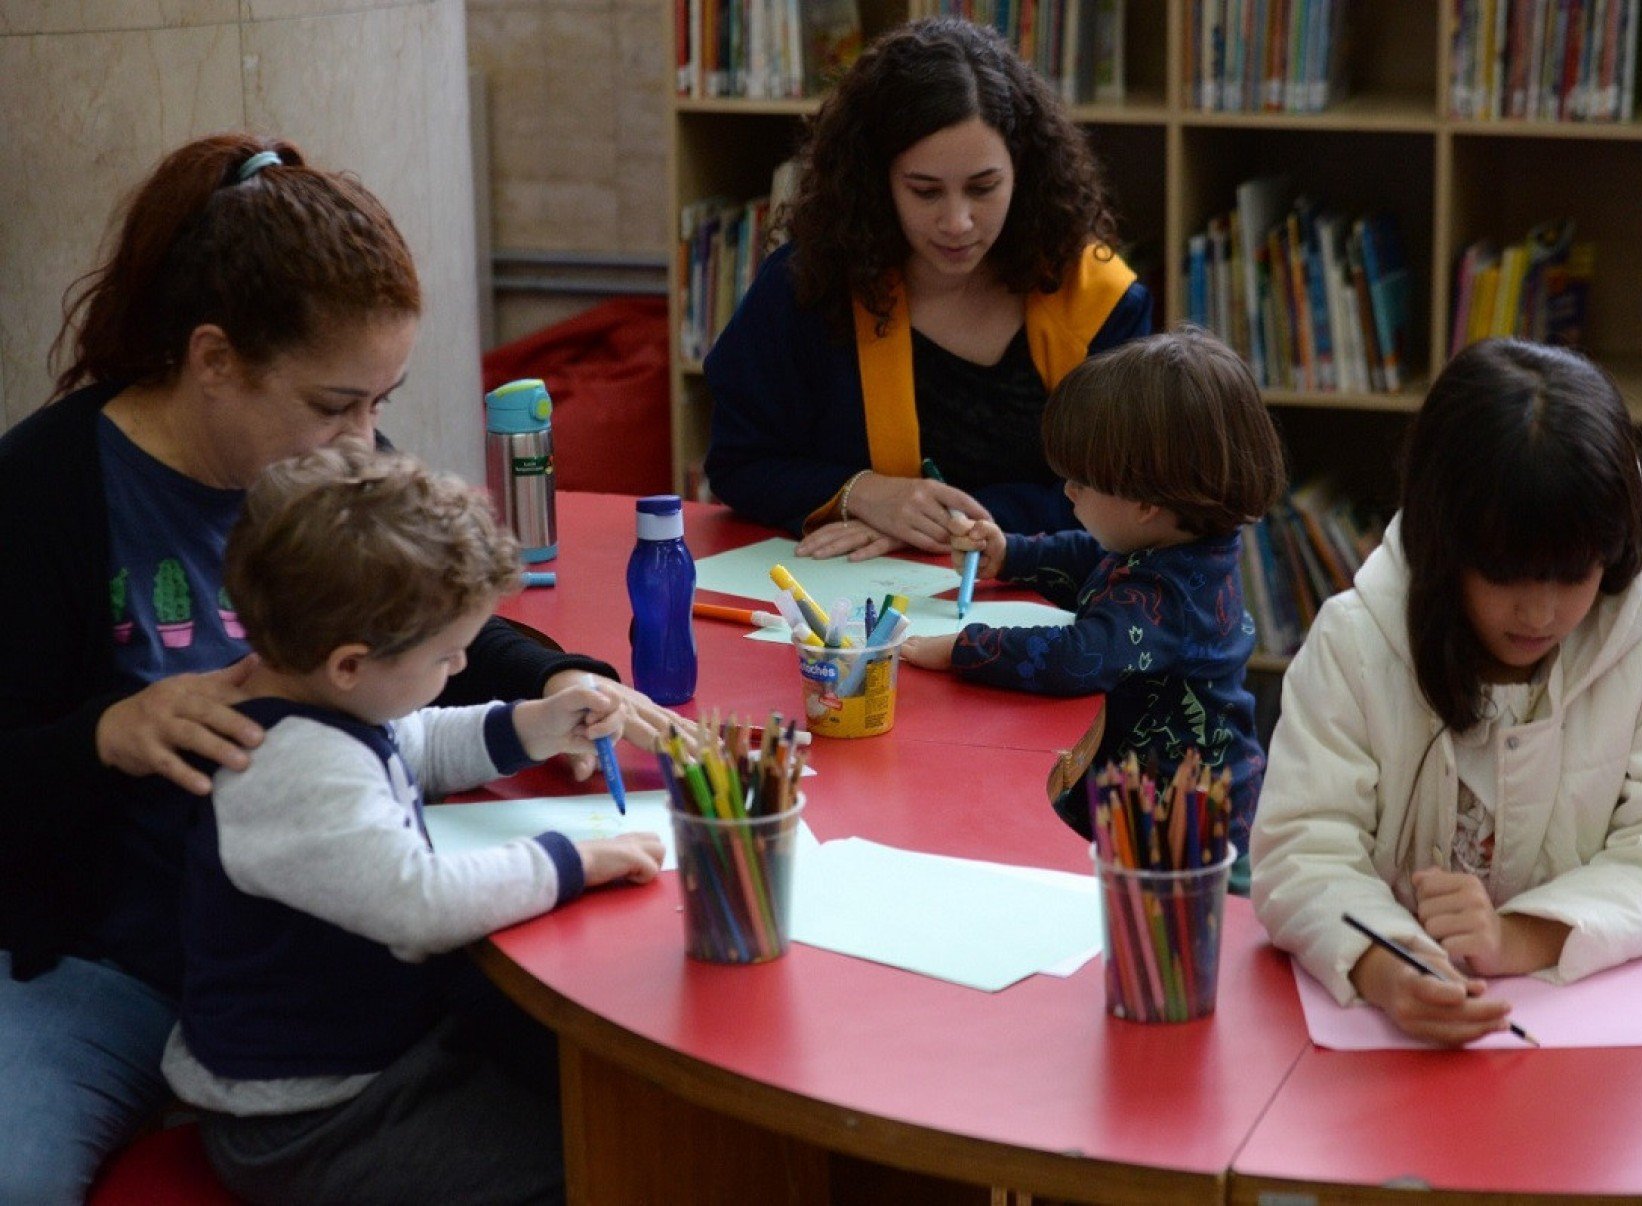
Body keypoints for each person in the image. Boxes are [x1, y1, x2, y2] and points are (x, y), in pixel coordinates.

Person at [0, 132, 688, 1204]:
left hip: (327, 968)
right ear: (214, 359)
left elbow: (435, 641)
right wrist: (103, 737)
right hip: (111, 965)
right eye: (336, 405)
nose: (366, 439)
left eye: (381, 400)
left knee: (616, 1106)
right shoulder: (42, 493)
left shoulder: (331, 460)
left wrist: (558, 686)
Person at [161, 443, 663, 1204]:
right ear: (351, 665)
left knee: (586, 1091)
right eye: (447, 655)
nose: (460, 669)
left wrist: (530, 724)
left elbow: (415, 739)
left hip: (378, 1048)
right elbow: (420, 906)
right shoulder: (292, 768)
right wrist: (576, 859)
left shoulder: (326, 702)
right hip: (310, 1114)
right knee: (597, 1169)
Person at [1250, 338, 1642, 1047]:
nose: (1539, 614)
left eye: (1573, 576)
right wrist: (1390, 967)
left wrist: (1513, 939)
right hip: (1386, 1058)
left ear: (1613, 548)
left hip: (1584, 1045)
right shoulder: (1358, 642)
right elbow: (1302, 849)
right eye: (1507, 576)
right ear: (1445, 544)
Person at [703, 15, 1153, 558]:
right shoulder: (813, 281)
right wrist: (863, 495)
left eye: (983, 188)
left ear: (1024, 171)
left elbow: (1127, 497)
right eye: (925, 191)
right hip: (852, 605)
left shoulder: (1097, 299)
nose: (958, 222)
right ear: (878, 182)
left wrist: (934, 523)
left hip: (1038, 603)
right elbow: (739, 462)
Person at [900, 329, 1285, 887]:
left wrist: (966, 647)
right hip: (1143, 791)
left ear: (1147, 504)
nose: (1068, 492)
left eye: (1082, 482)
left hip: (1187, 830)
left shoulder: (1170, 596)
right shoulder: (1178, 546)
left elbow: (1080, 656)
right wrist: (1009, 554)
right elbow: (1095, 557)